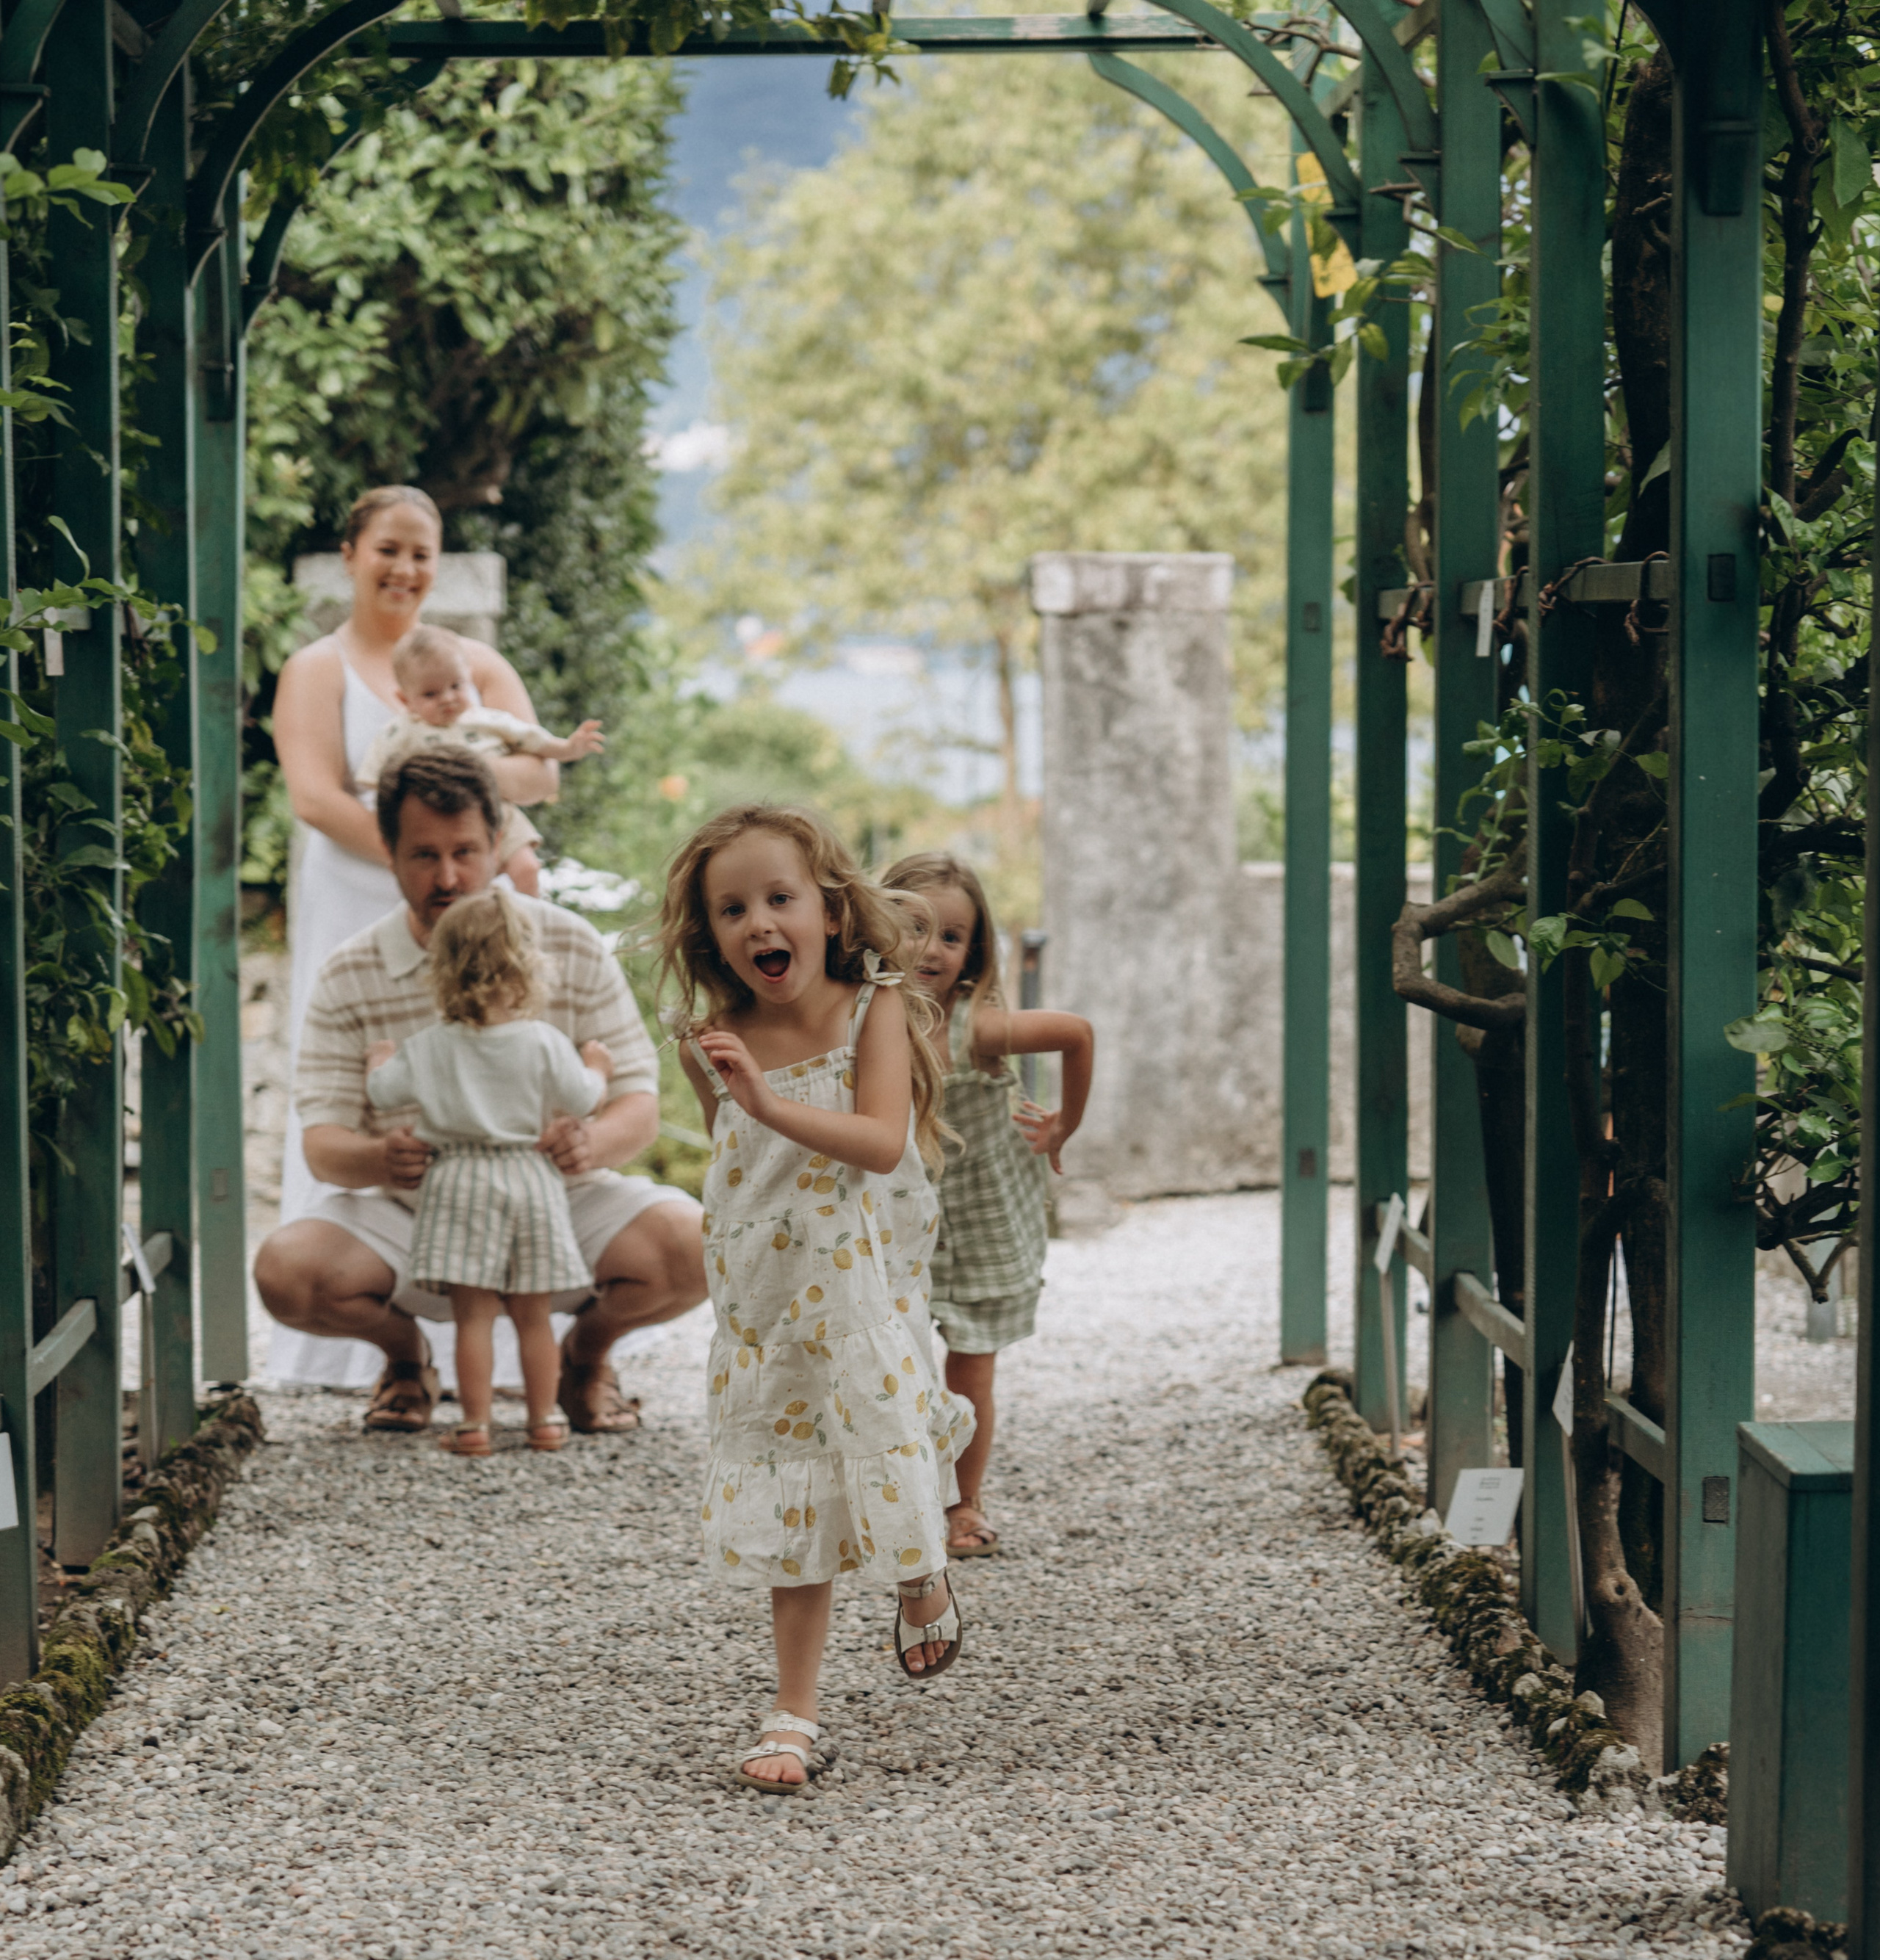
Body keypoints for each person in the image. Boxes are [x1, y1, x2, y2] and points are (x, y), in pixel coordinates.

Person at [253, 748, 706, 1436]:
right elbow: (323, 1144)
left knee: (701, 1244)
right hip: (415, 1211)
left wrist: (591, 1141)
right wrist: (383, 1158)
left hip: (557, 1196)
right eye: (423, 855)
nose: (448, 876)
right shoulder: (351, 970)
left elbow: (638, 1104)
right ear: (388, 851)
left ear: (498, 842)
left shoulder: (568, 942)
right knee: (289, 1271)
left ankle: (587, 1357)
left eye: (465, 850)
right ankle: (408, 1360)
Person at [662, 805, 975, 1794]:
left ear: (831, 910)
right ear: (709, 933)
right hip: (770, 1310)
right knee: (800, 1500)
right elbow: (739, 1173)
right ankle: (792, 1712)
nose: (760, 922)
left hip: (861, 1287)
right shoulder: (713, 1039)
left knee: (890, 1439)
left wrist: (764, 1100)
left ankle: (921, 1573)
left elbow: (879, 1140)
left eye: (779, 899)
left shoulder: (872, 1008)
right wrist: (742, 1101)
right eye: (733, 908)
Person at [271, 486, 560, 1372]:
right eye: (388, 549)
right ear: (352, 552)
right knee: (361, 1081)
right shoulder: (316, 667)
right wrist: (417, 855)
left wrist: (455, 870)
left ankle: (490, 1328)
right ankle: (363, 1338)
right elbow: (318, 796)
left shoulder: (472, 663)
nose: (405, 569)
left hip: (469, 907)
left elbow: (539, 774)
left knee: (484, 1073)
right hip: (355, 896)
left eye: (422, 553)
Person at [881, 853, 1093, 1560]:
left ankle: (963, 1503)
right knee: (890, 1366)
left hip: (980, 1222)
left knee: (970, 1370)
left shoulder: (975, 1025)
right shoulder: (862, 1019)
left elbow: (1077, 1034)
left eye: (952, 935)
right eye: (915, 928)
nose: (932, 949)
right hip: (894, 1224)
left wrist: (1065, 1122)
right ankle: (898, 1494)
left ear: (974, 951)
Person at [366, 889, 615, 1455]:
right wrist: (596, 1066)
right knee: (533, 1316)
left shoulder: (429, 1046)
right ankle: (544, 1419)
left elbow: (382, 1094)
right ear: (527, 966)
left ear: (444, 970)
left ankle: (474, 1424)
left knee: (472, 1316)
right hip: (529, 1176)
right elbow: (582, 1098)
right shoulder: (544, 1041)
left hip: (459, 1179)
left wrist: (378, 1059)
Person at [357, 626, 606, 897]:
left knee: (528, 869)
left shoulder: (488, 720)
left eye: (456, 686)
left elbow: (536, 743)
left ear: (469, 681)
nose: (448, 699)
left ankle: (531, 930)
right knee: (461, 884)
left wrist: (570, 747)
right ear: (406, 700)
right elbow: (374, 781)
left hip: (499, 810)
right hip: (441, 821)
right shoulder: (401, 732)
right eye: (431, 694)